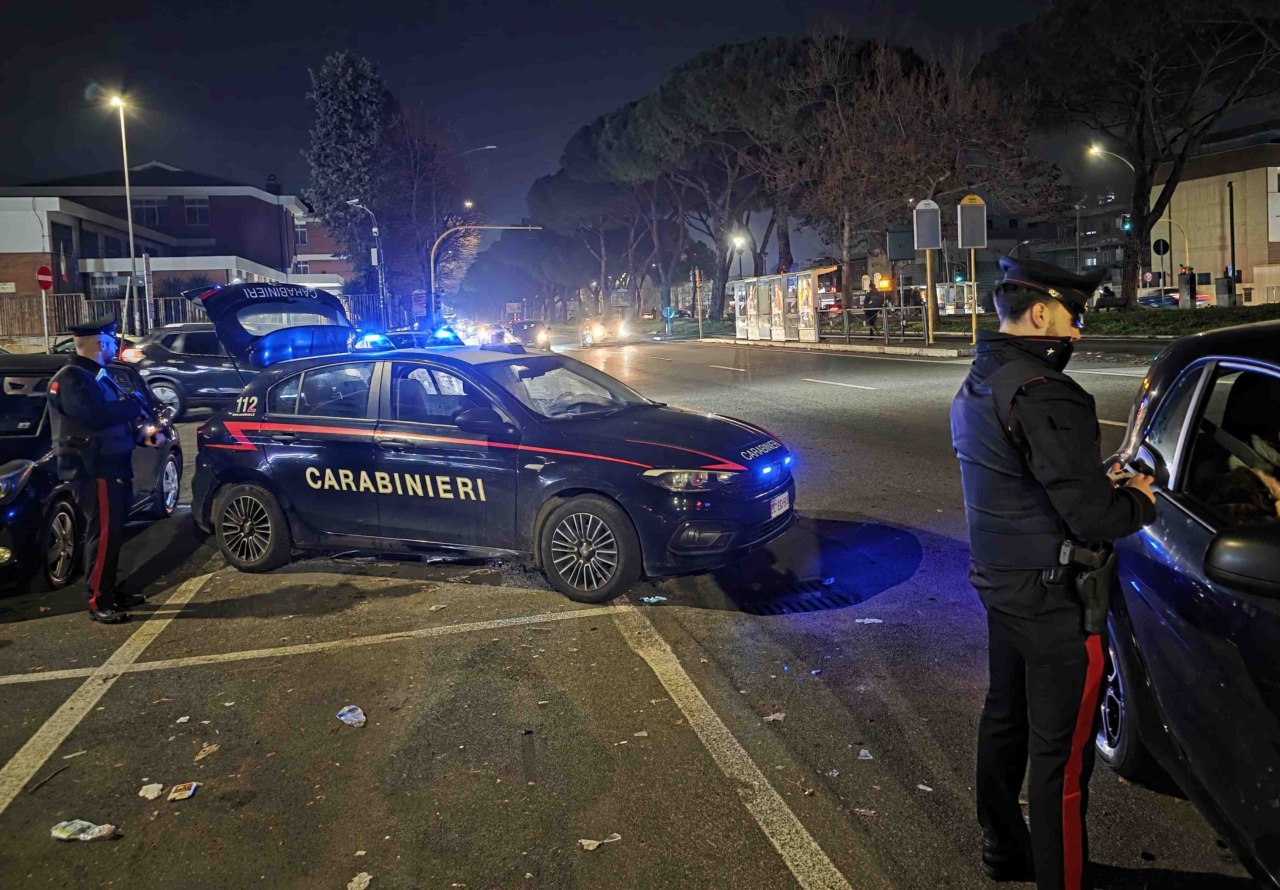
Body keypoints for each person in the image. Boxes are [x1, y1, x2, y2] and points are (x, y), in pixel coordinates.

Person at [949, 257, 1157, 890]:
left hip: (1001, 583)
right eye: (1074, 317)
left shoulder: (983, 377)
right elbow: (1091, 513)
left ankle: (1003, 847)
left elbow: (1025, 479)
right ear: (1040, 312)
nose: (1077, 333)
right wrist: (1138, 497)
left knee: (1005, 716)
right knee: (1060, 763)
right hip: (1053, 600)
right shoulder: (1046, 391)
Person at [47, 313, 167, 624]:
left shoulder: (98, 375)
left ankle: (111, 590)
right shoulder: (73, 377)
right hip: (93, 469)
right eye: (112, 340)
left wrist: (144, 435)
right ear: (100, 343)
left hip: (111, 465)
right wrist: (134, 405)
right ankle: (99, 599)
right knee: (102, 535)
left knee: (114, 534)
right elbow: (95, 416)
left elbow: (114, 424)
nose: (115, 345)